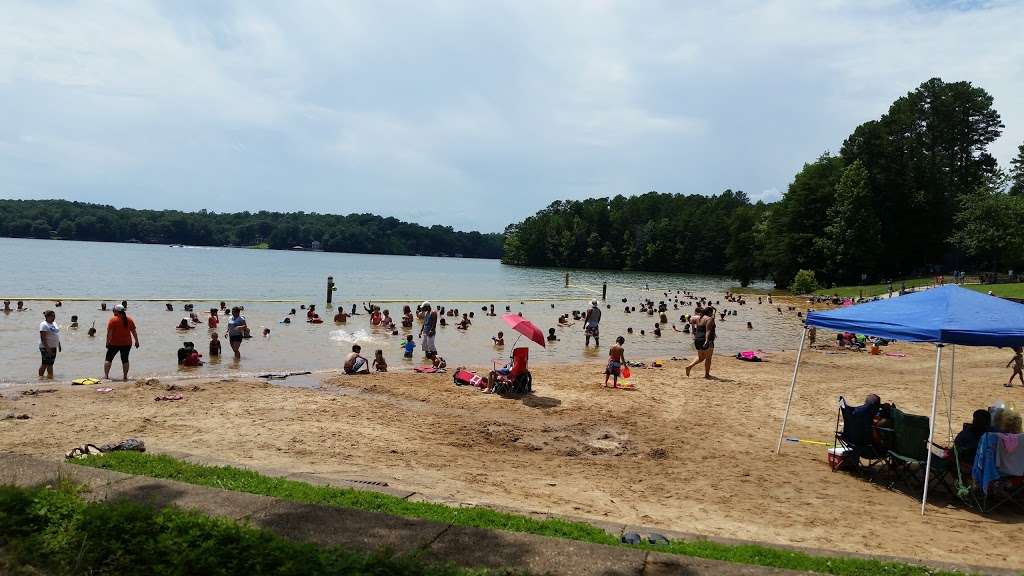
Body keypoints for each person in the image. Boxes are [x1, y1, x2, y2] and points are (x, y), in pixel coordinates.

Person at [104, 304, 139, 381]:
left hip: (114, 343)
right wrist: (136, 341)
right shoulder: (129, 319)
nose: (113, 312)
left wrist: (107, 342)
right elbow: (134, 332)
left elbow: (109, 333)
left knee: (108, 359)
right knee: (125, 360)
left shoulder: (113, 320)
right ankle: (125, 376)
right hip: (127, 344)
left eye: (114, 311)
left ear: (116, 311)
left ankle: (106, 376)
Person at [38, 310, 61, 379]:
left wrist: (59, 344)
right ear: (47, 316)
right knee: (44, 363)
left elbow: (56, 334)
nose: (54, 317)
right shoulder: (44, 324)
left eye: (54, 316)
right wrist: (47, 348)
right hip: (45, 347)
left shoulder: (54, 323)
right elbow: (43, 337)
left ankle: (50, 378)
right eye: (52, 316)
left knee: (50, 364)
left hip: (54, 346)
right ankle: (40, 378)